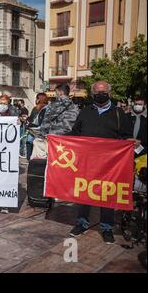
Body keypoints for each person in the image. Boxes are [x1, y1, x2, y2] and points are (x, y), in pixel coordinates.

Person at [68, 81, 133, 244]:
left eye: (103, 91)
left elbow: (126, 137)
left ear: (109, 93)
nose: (100, 94)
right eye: (97, 91)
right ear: (92, 93)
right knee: (84, 194)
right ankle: (81, 223)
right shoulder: (85, 112)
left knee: (106, 196)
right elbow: (75, 133)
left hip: (109, 165)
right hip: (86, 163)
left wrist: (131, 143)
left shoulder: (119, 113)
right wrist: (58, 138)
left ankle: (106, 228)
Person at [26, 93, 49, 161]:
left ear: (39, 99)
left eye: (37, 98)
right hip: (45, 132)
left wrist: (27, 120)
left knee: (29, 142)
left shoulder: (36, 108)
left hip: (35, 131)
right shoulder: (49, 108)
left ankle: (29, 158)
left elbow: (32, 120)